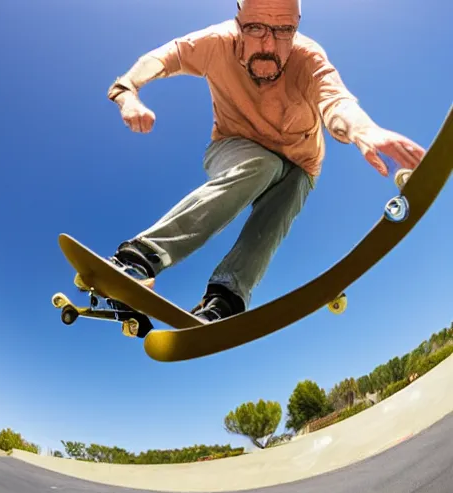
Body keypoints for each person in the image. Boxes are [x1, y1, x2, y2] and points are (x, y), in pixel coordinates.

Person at [75, 0, 425, 323]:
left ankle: (225, 298)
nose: (269, 46)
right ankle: (137, 258)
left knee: (285, 198)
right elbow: (167, 57)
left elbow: (335, 101)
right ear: (238, 23)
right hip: (233, 146)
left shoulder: (307, 57)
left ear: (296, 28)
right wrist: (126, 92)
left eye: (283, 31)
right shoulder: (217, 42)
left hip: (301, 163)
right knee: (264, 165)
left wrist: (365, 130)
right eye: (256, 29)